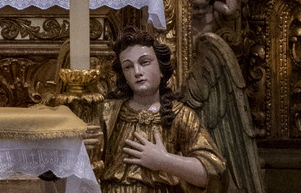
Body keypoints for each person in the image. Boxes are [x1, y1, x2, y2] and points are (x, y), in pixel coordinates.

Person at [92, 32, 225, 191]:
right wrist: (85, 149)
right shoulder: (107, 113)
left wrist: (164, 160)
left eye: (145, 62)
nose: (137, 72)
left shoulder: (180, 115)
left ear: (161, 69)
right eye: (128, 66)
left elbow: (214, 173)